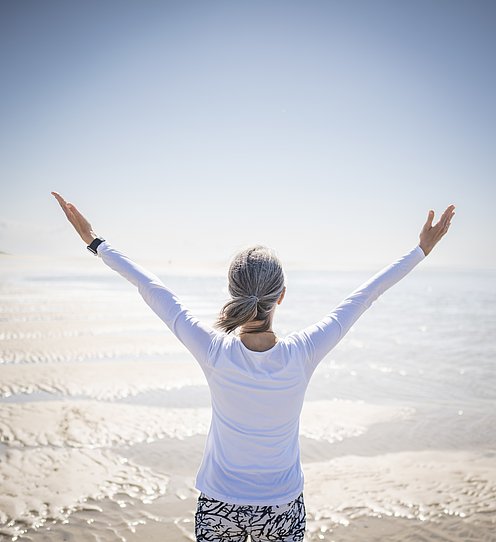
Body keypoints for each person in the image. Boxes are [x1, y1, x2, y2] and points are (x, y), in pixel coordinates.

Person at [51, 191, 454, 542]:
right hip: (280, 508)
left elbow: (150, 287)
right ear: (281, 297)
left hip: (219, 504)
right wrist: (421, 250)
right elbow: (367, 295)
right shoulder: (303, 352)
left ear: (233, 293)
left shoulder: (213, 350)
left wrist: (94, 241)